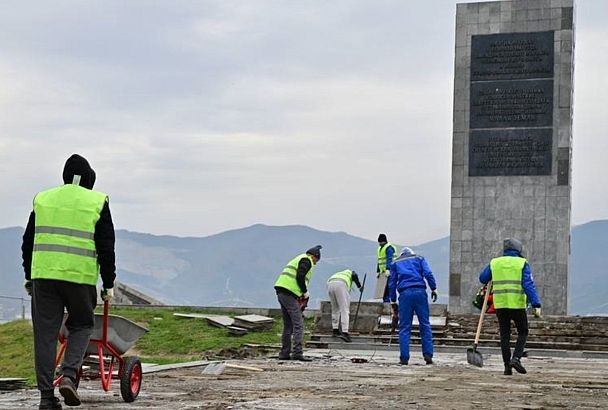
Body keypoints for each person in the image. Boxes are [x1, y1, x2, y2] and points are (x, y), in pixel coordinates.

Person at [22, 154, 116, 409]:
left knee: (45, 335)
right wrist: (109, 283)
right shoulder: (96, 201)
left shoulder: (43, 199)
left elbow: (28, 242)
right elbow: (106, 247)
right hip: (79, 278)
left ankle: (45, 397)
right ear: (89, 179)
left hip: (44, 277)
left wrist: (29, 276)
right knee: (83, 324)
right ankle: (69, 376)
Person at [479, 238, 541, 376]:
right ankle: (516, 358)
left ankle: (507, 367)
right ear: (519, 250)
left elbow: (483, 278)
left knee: (505, 336)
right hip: (517, 304)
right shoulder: (522, 263)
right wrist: (536, 303)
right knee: (523, 332)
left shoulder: (495, 262)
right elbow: (528, 285)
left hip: (500, 305)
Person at [388, 247, 437, 365]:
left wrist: (393, 301)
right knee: (425, 324)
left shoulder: (395, 263)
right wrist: (433, 288)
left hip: (404, 294)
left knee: (404, 327)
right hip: (420, 293)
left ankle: (404, 358)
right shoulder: (419, 258)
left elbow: (392, 283)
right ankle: (428, 356)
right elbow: (428, 273)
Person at [274, 245, 322, 362]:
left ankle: (284, 353)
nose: (315, 264)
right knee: (298, 323)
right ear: (314, 256)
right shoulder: (306, 260)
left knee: (288, 325)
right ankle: (297, 353)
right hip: (289, 292)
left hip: (282, 291)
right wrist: (305, 292)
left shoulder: (298, 258)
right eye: (316, 261)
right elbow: (300, 276)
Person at [326, 269, 363, 343]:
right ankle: (345, 333)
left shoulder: (339, 273)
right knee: (344, 310)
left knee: (335, 309)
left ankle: (335, 330)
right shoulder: (349, 272)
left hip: (330, 284)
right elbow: (355, 275)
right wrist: (359, 287)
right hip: (341, 284)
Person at [375, 233, 398, 303]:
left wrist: (388, 269)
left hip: (391, 271)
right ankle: (386, 302)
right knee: (383, 289)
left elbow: (389, 259)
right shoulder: (379, 249)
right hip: (383, 273)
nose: (380, 243)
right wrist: (378, 271)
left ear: (384, 241)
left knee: (389, 287)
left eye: (380, 242)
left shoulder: (389, 248)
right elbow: (379, 260)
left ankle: (391, 303)